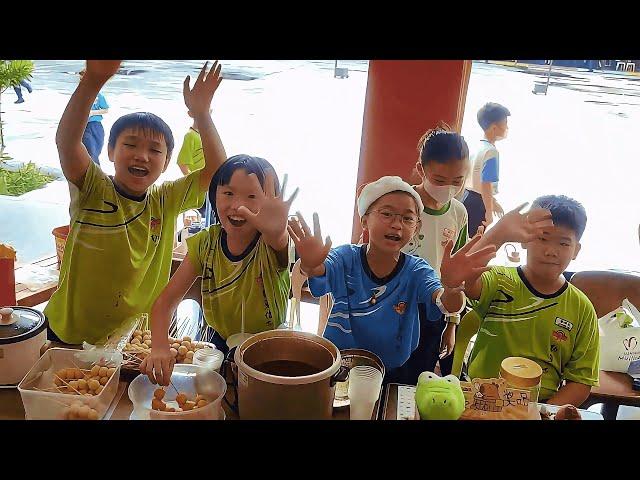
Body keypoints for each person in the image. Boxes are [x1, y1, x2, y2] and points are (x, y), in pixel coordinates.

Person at [44, 60, 227, 345]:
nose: (142, 155)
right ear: (110, 152)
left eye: (155, 150)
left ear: (166, 162)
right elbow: (67, 143)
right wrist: (92, 81)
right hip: (70, 335)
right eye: (130, 145)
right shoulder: (93, 187)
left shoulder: (165, 200)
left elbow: (218, 172)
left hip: (132, 342)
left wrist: (202, 115)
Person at [289, 175, 497, 384]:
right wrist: (311, 264)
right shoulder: (345, 258)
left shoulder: (417, 271)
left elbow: (446, 303)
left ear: (416, 228)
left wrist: (452, 288)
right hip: (342, 367)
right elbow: (320, 270)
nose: (397, 224)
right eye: (387, 214)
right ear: (364, 220)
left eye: (407, 218)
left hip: (394, 371)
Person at [141, 156, 298, 385]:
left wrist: (278, 232)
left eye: (252, 196)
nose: (237, 205)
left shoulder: (270, 244)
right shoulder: (205, 244)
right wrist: (159, 348)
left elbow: (278, 239)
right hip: (220, 343)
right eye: (228, 193)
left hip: (269, 348)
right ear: (214, 195)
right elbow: (165, 303)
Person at [465, 195, 600, 407]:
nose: (551, 251)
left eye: (563, 243)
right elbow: (462, 277)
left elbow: (581, 382)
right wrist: (500, 233)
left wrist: (540, 412)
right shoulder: (499, 279)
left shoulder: (582, 308)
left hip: (541, 405)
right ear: (525, 239)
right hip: (482, 399)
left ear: (576, 250)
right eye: (542, 238)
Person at [463, 102, 510, 237]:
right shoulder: (491, 152)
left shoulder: (476, 147)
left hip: (466, 197)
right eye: (505, 123)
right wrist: (488, 211)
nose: (507, 127)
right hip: (478, 204)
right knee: (473, 241)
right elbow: (485, 183)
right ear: (494, 127)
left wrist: (493, 202)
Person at [79, 68, 109, 165]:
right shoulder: (79, 95)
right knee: (89, 151)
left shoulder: (99, 96)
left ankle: (95, 171)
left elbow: (106, 109)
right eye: (81, 79)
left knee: (95, 151)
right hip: (84, 126)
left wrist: (92, 112)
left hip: (96, 125)